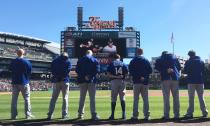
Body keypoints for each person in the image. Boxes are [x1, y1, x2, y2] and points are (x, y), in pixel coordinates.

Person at [155, 51, 181, 120]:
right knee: (176, 98)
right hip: (175, 78)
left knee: (166, 98)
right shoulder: (174, 57)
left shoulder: (160, 58)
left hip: (165, 78)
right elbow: (179, 67)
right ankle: (177, 115)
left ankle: (167, 115)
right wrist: (173, 71)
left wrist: (165, 70)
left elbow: (156, 67)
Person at [76, 50, 100, 120]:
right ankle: (93, 115)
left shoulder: (80, 60)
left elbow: (77, 70)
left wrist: (84, 76)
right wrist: (89, 76)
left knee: (82, 98)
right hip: (91, 81)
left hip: (82, 81)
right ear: (91, 54)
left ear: (86, 53)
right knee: (92, 99)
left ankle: (80, 115)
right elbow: (97, 70)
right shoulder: (94, 60)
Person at [9, 49, 34, 120]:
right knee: (27, 99)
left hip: (15, 82)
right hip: (24, 82)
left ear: (17, 53)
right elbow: (30, 72)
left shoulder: (13, 61)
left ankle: (13, 116)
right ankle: (28, 115)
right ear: (24, 53)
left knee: (14, 100)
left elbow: (10, 69)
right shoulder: (27, 62)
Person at [129, 48, 152, 120]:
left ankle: (135, 116)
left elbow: (131, 71)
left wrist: (138, 77)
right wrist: (143, 77)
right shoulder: (146, 60)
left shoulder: (133, 60)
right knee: (145, 99)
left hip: (136, 82)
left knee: (136, 99)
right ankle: (147, 116)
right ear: (143, 52)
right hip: (145, 82)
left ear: (136, 52)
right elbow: (150, 71)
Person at [184, 50, 208, 118]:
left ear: (189, 55)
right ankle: (204, 113)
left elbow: (185, 71)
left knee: (191, 98)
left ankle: (190, 113)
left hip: (191, 82)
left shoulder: (188, 61)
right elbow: (204, 71)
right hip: (200, 81)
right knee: (201, 98)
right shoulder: (201, 61)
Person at [47, 52, 71, 120]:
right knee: (65, 98)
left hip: (56, 81)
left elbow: (52, 70)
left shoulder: (55, 61)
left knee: (53, 98)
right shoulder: (68, 61)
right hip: (65, 81)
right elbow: (68, 71)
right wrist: (62, 76)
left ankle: (50, 114)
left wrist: (57, 76)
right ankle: (64, 115)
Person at [107, 53, 128, 120]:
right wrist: (122, 77)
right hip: (122, 81)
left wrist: (116, 76)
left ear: (114, 58)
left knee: (113, 98)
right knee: (123, 98)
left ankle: (112, 115)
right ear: (119, 58)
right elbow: (127, 74)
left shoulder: (111, 63)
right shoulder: (123, 63)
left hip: (114, 81)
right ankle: (124, 115)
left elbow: (109, 75)